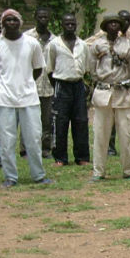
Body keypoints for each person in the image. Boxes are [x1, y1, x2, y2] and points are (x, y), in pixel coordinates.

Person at [0, 9, 53, 187]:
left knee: (33, 139)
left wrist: (25, 83)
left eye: (15, 20)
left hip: (29, 98)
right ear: (3, 23)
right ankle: (10, 177)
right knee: (6, 141)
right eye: (8, 20)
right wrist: (6, 85)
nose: (11, 23)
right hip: (5, 99)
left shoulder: (31, 43)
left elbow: (38, 69)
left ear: (20, 22)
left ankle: (38, 175)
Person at [86, 11, 130, 181]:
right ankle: (98, 171)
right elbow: (92, 69)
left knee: (126, 133)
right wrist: (103, 80)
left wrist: (124, 81)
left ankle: (129, 170)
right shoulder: (97, 45)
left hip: (122, 93)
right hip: (103, 93)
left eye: (117, 23)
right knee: (101, 134)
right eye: (111, 23)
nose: (114, 26)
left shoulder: (128, 45)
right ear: (105, 26)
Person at [45, 12, 90, 166]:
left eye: (73, 24)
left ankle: (82, 157)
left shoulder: (82, 45)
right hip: (61, 84)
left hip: (78, 85)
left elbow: (87, 67)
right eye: (67, 23)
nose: (70, 26)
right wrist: (57, 85)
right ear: (62, 25)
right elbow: (49, 69)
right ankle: (60, 158)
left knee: (81, 121)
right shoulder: (54, 44)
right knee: (60, 122)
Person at [23, 7, 55, 159]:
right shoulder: (26, 37)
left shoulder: (54, 40)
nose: (43, 19)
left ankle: (45, 148)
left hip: (48, 86)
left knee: (46, 120)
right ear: (35, 17)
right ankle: (25, 148)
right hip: (30, 84)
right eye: (40, 16)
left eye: (46, 17)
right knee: (28, 118)